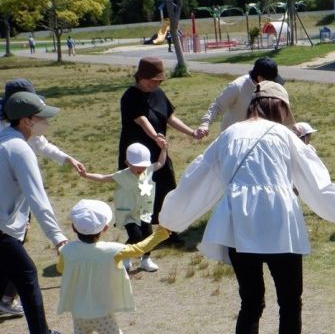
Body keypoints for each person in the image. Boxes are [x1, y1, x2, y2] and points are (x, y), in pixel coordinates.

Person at [158, 81, 335, 334]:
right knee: (289, 301)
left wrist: (171, 219)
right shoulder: (285, 136)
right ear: (280, 108)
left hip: (237, 224)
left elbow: (196, 179)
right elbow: (317, 185)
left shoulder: (229, 135)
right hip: (278, 221)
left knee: (251, 303)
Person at [56, 199, 169, 334]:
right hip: (101, 312)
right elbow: (139, 249)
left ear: (74, 228)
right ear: (106, 227)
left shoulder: (67, 251)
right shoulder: (112, 250)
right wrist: (160, 234)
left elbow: (60, 269)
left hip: (79, 310)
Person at [0, 78, 85, 316]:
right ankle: (38, 333)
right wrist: (58, 237)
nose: (43, 118)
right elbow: (37, 197)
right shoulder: (12, 139)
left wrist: (67, 158)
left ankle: (6, 298)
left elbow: (43, 144)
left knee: (13, 255)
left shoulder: (22, 125)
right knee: (22, 267)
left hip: (14, 208)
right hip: (7, 211)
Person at [118, 57, 198, 234]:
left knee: (166, 187)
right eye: (152, 81)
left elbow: (170, 118)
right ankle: (140, 233)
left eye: (158, 81)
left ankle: (169, 229)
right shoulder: (130, 96)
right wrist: (156, 136)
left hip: (158, 149)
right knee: (141, 191)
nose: (155, 84)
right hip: (138, 153)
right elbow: (142, 121)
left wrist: (191, 132)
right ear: (140, 77)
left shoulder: (158, 93)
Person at [80, 142, 168, 272]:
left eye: (144, 166)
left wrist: (164, 149)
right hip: (128, 214)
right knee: (136, 236)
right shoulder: (122, 176)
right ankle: (125, 256)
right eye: (138, 167)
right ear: (127, 163)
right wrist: (86, 175)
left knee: (149, 236)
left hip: (144, 211)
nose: (142, 170)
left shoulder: (148, 170)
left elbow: (160, 163)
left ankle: (146, 260)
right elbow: (104, 178)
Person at [195, 57, 284, 138]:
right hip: (233, 137)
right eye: (271, 81)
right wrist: (205, 124)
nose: (274, 84)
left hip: (256, 136)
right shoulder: (237, 87)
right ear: (260, 78)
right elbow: (217, 106)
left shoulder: (270, 88)